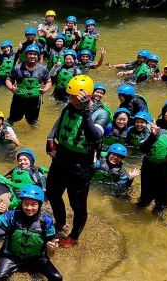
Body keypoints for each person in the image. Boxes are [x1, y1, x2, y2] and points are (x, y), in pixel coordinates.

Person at [45, 75, 110, 248]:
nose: (71, 100)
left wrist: (86, 111)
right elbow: (61, 120)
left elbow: (94, 137)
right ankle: (60, 223)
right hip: (61, 159)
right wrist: (51, 138)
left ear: (86, 96)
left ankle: (74, 237)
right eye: (70, 96)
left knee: (78, 205)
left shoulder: (101, 113)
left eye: (75, 97)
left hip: (81, 165)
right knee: (52, 193)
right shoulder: (70, 106)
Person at [0, 185, 62, 281]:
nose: (29, 208)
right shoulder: (12, 216)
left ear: (40, 204)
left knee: (57, 278)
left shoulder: (46, 221)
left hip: (36, 258)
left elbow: (51, 241)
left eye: (33, 204)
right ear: (21, 203)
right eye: (25, 203)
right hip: (12, 257)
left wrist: (52, 249)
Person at [138, 99, 167, 214]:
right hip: (151, 170)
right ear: (164, 112)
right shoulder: (152, 126)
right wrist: (153, 136)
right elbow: (142, 149)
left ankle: (157, 220)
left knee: (164, 202)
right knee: (145, 199)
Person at [6, 45, 52, 127]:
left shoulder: (43, 69)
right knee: (12, 120)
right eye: (30, 54)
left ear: (38, 56)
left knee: (33, 123)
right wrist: (11, 88)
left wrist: (45, 89)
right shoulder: (17, 68)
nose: (32, 56)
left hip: (34, 101)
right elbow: (9, 79)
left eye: (35, 54)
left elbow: (48, 81)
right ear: (26, 55)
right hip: (18, 100)